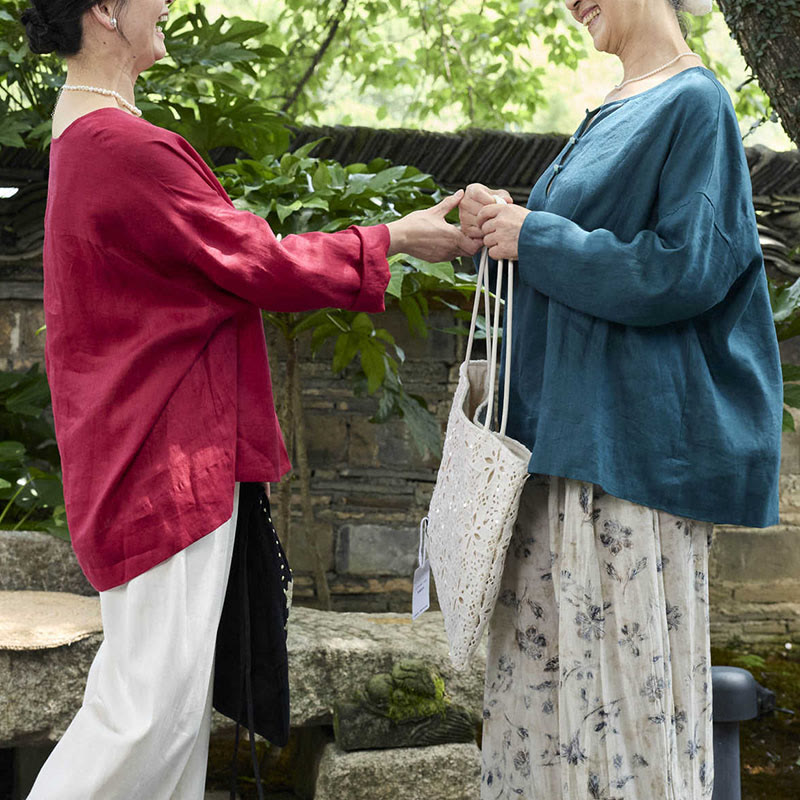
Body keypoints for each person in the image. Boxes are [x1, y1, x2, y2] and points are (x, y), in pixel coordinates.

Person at [19, 0, 478, 796]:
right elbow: (259, 262)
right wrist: (396, 238)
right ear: (105, 9)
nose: (167, 3)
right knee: (145, 718)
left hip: (145, 449)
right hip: (162, 458)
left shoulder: (85, 137)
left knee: (167, 719)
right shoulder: (119, 145)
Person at [459, 1, 782, 798]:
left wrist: (536, 236)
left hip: (624, 469)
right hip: (556, 458)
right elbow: (575, 264)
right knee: (542, 721)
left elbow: (684, 269)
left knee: (619, 720)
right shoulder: (613, 108)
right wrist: (503, 227)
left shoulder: (695, 103)